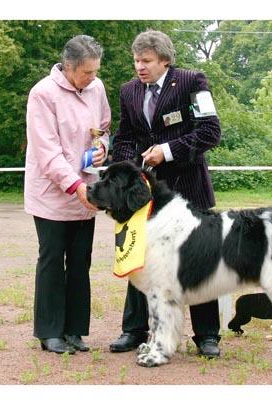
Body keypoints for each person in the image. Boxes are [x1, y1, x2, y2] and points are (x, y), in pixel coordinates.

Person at [110, 30, 222, 358]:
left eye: (146, 61)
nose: (139, 67)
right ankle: (134, 330)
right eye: (136, 61)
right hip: (145, 197)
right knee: (138, 258)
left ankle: (207, 335)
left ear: (165, 61)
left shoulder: (192, 82)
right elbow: (125, 137)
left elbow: (210, 132)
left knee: (199, 260)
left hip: (189, 192)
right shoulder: (128, 91)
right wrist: (129, 163)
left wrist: (168, 151)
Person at [24, 35, 110, 354]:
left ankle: (75, 330)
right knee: (51, 259)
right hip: (52, 194)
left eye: (96, 71)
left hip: (85, 190)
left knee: (79, 262)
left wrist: (102, 149)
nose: (93, 77)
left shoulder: (96, 89)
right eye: (87, 72)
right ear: (69, 67)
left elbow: (103, 127)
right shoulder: (43, 94)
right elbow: (48, 152)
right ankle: (49, 332)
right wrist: (75, 186)